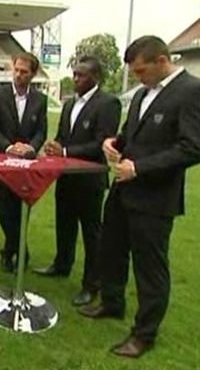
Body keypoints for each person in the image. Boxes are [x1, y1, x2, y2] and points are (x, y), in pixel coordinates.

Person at [78, 36, 200, 358]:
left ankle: (144, 334)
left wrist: (141, 168)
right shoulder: (144, 92)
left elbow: (192, 147)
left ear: (162, 61)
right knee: (112, 249)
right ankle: (111, 302)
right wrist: (114, 142)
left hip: (154, 198)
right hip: (122, 189)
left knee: (150, 268)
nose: (138, 78)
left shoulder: (190, 91)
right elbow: (133, 133)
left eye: (142, 71)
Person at [34, 56, 121, 307]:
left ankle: (91, 284)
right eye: (74, 74)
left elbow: (101, 142)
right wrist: (55, 146)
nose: (75, 79)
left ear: (95, 77)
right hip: (66, 177)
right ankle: (62, 264)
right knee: (65, 224)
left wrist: (64, 152)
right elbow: (64, 136)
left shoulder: (108, 103)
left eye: (80, 75)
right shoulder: (70, 104)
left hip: (89, 180)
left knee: (92, 233)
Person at [0, 52, 47, 272]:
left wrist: (30, 147)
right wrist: (9, 148)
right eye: (16, 70)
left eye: (24, 72)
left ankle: (9, 251)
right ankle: (20, 251)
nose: (19, 75)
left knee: (22, 211)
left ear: (33, 74)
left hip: (27, 165)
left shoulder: (40, 99)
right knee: (5, 211)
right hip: (1, 163)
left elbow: (41, 130)